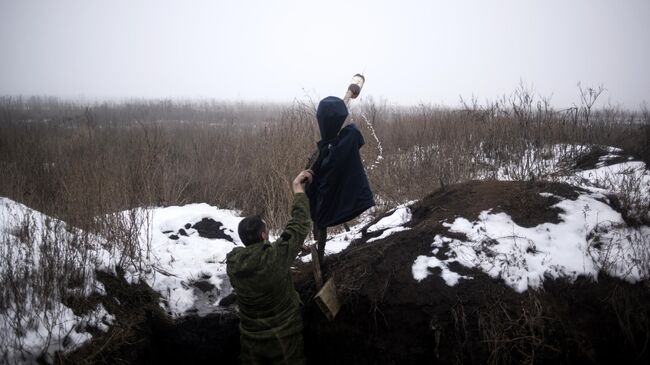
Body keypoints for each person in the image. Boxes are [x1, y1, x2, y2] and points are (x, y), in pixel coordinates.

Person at [226, 169, 314, 365]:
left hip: (250, 345)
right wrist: (298, 188)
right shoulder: (275, 256)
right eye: (266, 229)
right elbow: (298, 225)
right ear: (263, 235)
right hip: (284, 342)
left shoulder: (233, 264)